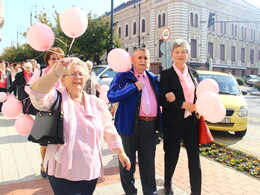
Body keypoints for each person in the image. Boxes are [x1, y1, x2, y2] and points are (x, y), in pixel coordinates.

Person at [28, 57, 131, 195]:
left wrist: (121, 152)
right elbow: (36, 92)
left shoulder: (96, 103)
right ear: (63, 80)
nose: (78, 77)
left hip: (90, 171)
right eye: (73, 74)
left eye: (81, 74)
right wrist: (56, 72)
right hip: (62, 172)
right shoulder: (55, 99)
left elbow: (108, 129)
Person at [107, 47, 162, 195]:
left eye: (145, 58)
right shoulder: (123, 76)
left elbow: (158, 99)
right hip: (128, 126)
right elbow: (111, 95)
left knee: (148, 166)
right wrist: (133, 87)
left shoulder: (152, 78)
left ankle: (150, 193)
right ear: (132, 59)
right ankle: (130, 192)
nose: (143, 61)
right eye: (139, 57)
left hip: (149, 127)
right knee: (127, 165)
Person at [159, 38, 201, 195]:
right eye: (177, 52)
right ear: (171, 55)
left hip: (192, 123)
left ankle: (196, 191)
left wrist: (199, 108)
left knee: (194, 159)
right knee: (171, 155)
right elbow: (162, 99)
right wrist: (183, 104)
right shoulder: (166, 74)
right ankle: (168, 183)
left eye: (183, 51)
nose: (180, 54)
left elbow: (200, 95)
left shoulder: (194, 74)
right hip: (173, 123)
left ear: (188, 55)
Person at [25, 47, 65, 178]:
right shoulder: (41, 72)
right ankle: (44, 164)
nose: (56, 61)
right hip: (45, 112)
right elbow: (29, 87)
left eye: (59, 59)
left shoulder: (65, 72)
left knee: (60, 141)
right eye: (53, 58)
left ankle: (57, 166)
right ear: (48, 60)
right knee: (44, 142)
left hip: (62, 110)